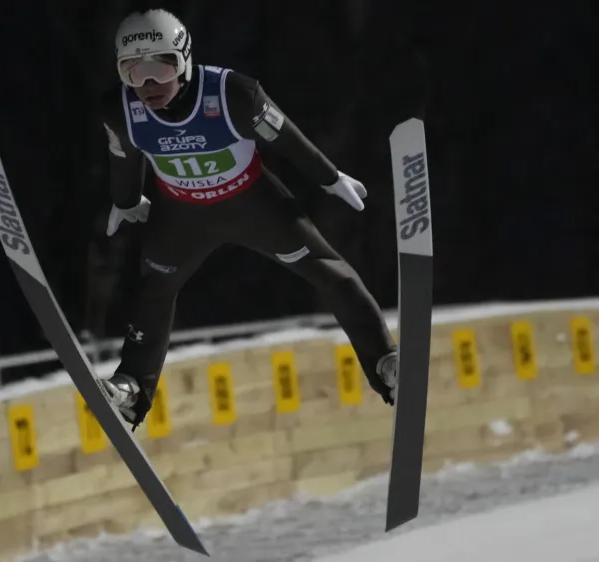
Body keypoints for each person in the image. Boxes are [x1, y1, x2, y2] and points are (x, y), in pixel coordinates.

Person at [98, 9, 399, 429]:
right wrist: (126, 200)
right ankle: (133, 387)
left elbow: (288, 139)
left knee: (332, 273)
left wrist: (328, 178)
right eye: (131, 71)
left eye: (158, 67)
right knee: (153, 292)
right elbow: (123, 159)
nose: (146, 84)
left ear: (183, 60)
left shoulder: (232, 94)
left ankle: (385, 362)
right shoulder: (121, 108)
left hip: (252, 205)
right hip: (181, 216)